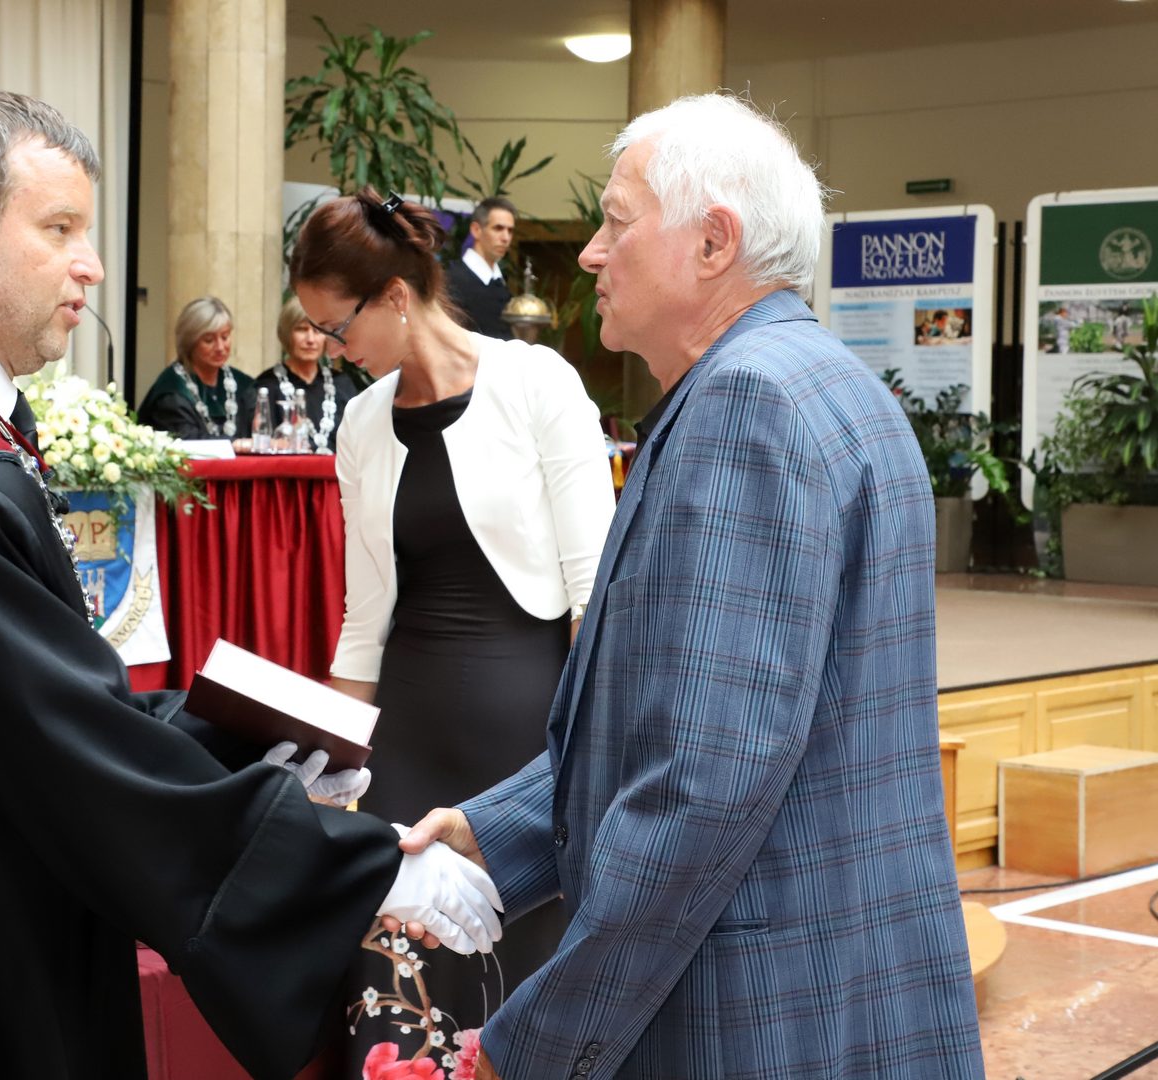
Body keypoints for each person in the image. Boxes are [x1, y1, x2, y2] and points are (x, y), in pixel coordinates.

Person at [0, 87, 503, 1080]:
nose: (91, 264)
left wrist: (239, 746)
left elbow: (27, 708)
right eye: (59, 229)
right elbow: (65, 754)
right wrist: (352, 872)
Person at [398, 94, 985, 1078]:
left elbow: (699, 786)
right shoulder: (836, 385)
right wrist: (486, 834)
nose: (591, 254)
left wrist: (531, 1046)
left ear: (713, 243)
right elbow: (683, 723)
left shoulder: (744, 406)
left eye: (615, 221)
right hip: (836, 983)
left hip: (745, 1010)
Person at [290, 188, 615, 1075]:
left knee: (529, 996)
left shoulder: (537, 383)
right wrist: (333, 769)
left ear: (395, 296)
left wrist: (577, 770)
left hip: (528, 752)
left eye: (337, 327)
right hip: (405, 751)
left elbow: (595, 598)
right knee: (398, 1002)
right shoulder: (361, 422)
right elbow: (363, 620)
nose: (332, 349)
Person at [136, 296, 260, 439]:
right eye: (209, 340)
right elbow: (187, 441)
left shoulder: (243, 386)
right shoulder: (172, 393)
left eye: (225, 337)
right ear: (190, 342)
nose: (220, 347)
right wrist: (237, 444)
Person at [252, 295, 362, 453]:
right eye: (302, 329)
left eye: (317, 331)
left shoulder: (342, 384)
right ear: (286, 333)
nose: (310, 339)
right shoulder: (266, 386)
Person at [445, 196, 517, 339]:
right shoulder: (451, 281)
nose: (506, 237)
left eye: (510, 231)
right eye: (498, 228)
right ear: (476, 230)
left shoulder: (499, 282)